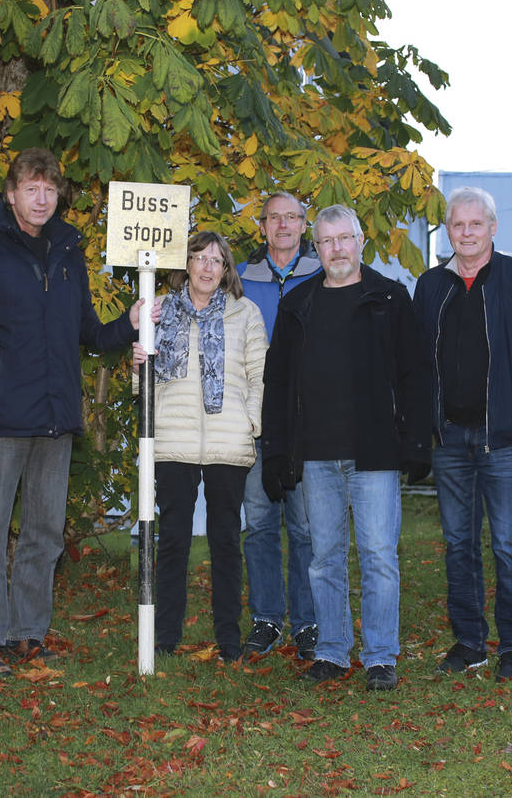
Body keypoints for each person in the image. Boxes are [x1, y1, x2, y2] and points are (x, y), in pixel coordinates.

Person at [0, 148, 157, 677]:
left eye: (49, 189)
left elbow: (85, 332)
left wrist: (129, 323)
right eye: (31, 188)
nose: (41, 199)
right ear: (11, 193)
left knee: (44, 533)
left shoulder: (67, 251)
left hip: (54, 417)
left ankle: (27, 634)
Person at [260, 204, 431, 691]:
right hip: (315, 456)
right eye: (327, 241)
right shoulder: (298, 306)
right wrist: (276, 450)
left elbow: (416, 375)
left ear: (360, 241)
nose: (337, 248)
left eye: (345, 238)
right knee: (324, 557)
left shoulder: (390, 299)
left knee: (378, 554)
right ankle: (333, 651)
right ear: (317, 249)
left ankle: (380, 657)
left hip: (374, 452)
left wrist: (417, 442)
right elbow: (277, 384)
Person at [414, 186, 512, 683]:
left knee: (508, 543)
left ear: (493, 228)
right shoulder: (431, 287)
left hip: (503, 440)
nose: (466, 233)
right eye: (457, 225)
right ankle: (469, 642)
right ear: (449, 229)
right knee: (459, 544)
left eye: (475, 224)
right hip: (451, 441)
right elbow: (417, 364)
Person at [131, 232, 267, 661]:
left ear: (226, 270)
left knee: (226, 539)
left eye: (217, 260)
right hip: (173, 440)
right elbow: (142, 383)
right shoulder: (162, 310)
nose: (208, 267)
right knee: (172, 540)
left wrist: (251, 423)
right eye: (199, 258)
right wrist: (136, 364)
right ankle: (166, 637)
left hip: (229, 440)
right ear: (185, 265)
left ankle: (229, 638)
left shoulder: (245, 313)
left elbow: (260, 374)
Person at [236, 192, 322, 660]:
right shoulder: (243, 280)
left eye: (293, 217)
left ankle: (307, 623)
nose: (284, 225)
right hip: (255, 421)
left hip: (307, 423)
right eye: (275, 218)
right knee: (261, 526)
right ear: (262, 227)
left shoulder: (323, 272)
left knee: (307, 528)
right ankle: (267, 619)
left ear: (304, 225)